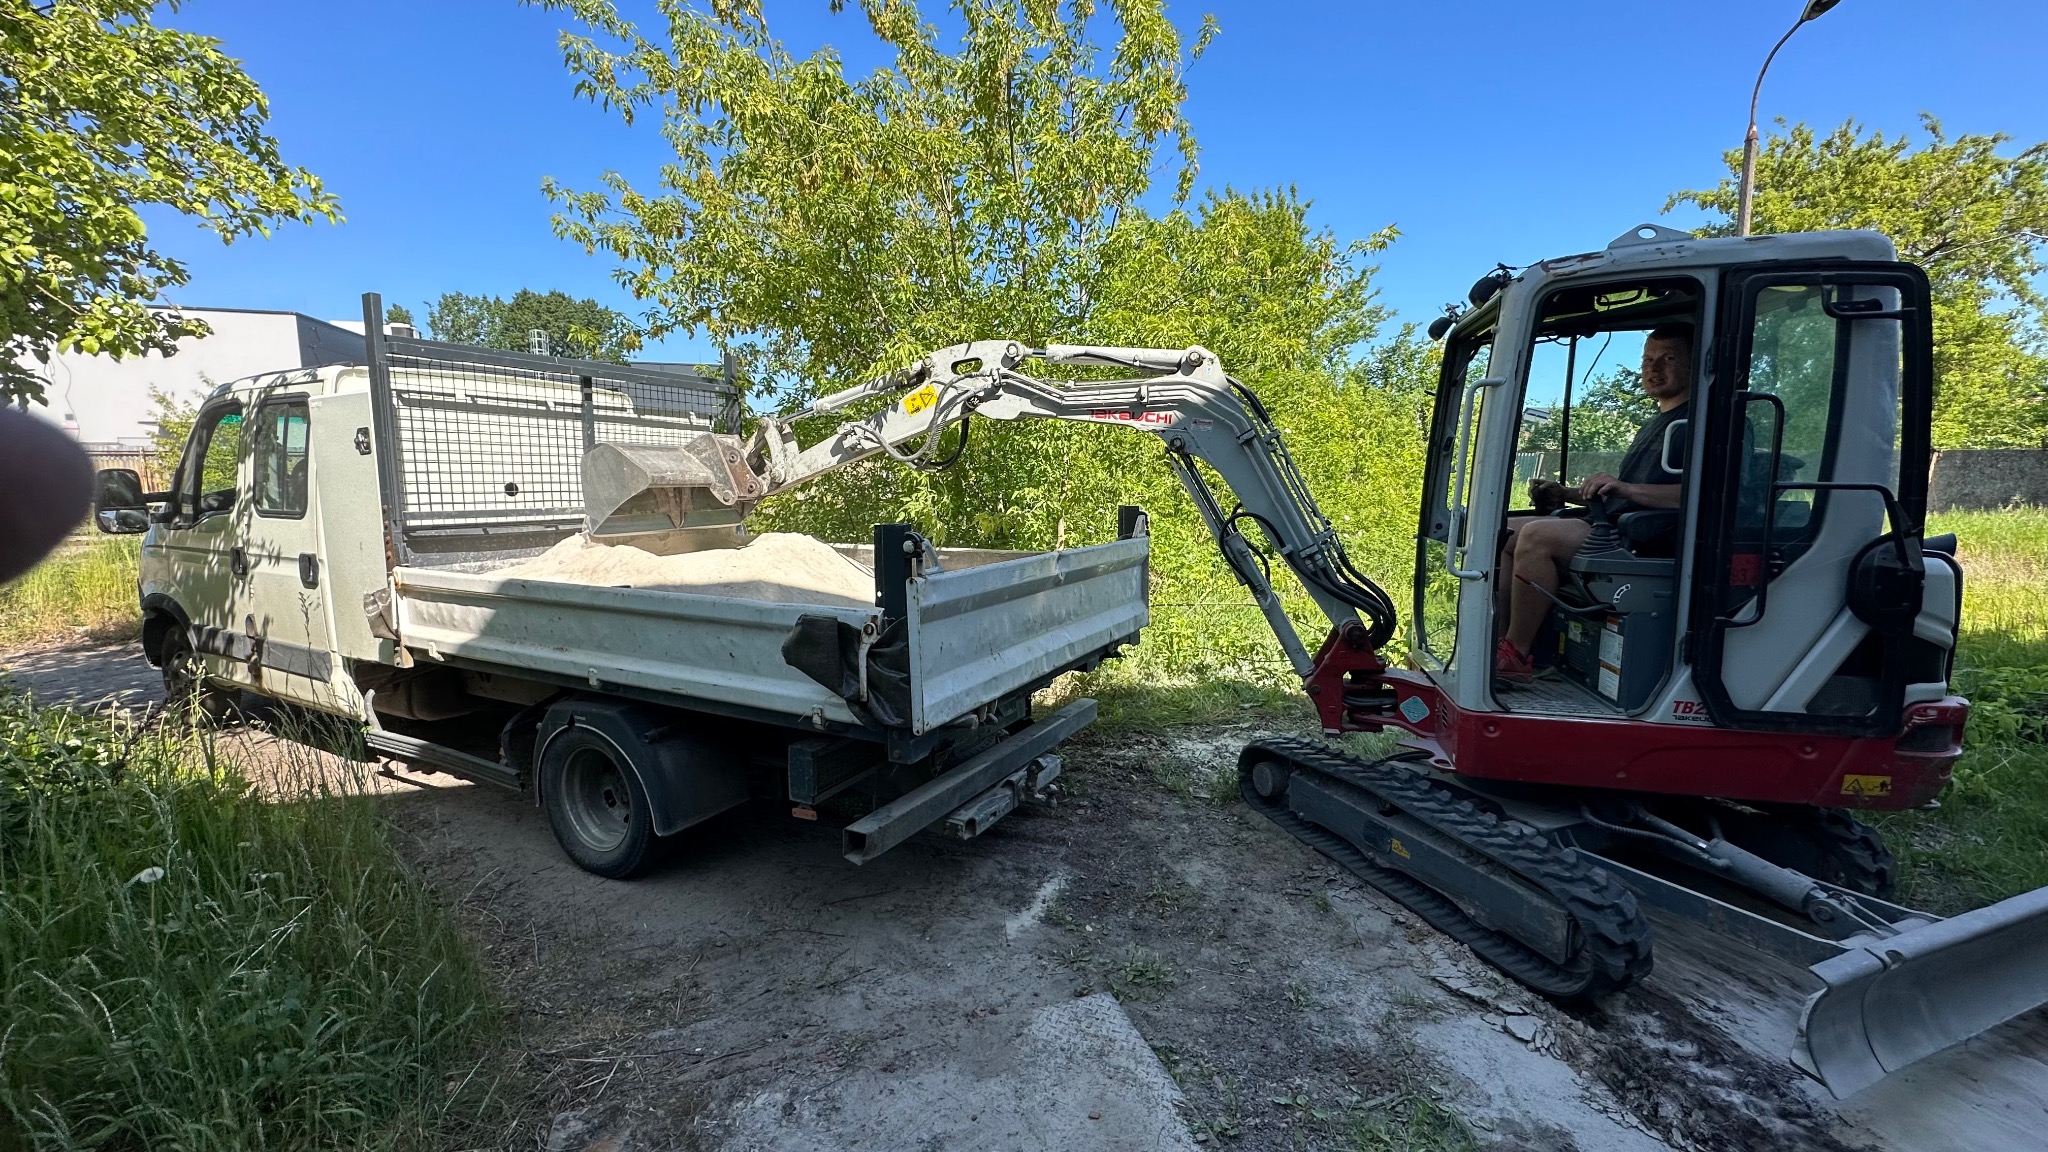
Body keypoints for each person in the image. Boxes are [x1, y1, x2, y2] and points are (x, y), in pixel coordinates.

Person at [1495, 324, 1693, 682]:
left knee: (1538, 536)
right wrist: (1568, 495)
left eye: (1668, 359)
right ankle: (1502, 644)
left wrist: (1625, 489)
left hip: (1650, 541)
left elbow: (1700, 495)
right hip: (1617, 525)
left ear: (1696, 364)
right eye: (1648, 359)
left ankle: (1516, 654)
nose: (1653, 368)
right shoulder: (1659, 422)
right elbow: (1623, 491)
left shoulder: (1704, 423)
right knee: (1505, 532)